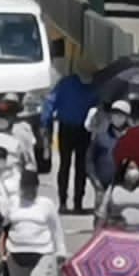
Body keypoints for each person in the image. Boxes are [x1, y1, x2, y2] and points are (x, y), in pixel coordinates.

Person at [43, 65, 98, 213]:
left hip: (80, 129)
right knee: (69, 165)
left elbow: (50, 102)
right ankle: (67, 202)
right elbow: (51, 103)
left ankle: (72, 202)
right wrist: (46, 122)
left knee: (75, 166)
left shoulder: (69, 84)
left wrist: (46, 122)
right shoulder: (71, 84)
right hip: (69, 128)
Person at [0, 169, 66, 276]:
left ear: (36, 187)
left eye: (31, 187)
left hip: (41, 253)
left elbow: (56, 229)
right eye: (25, 187)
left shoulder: (46, 204)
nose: (28, 190)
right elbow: (2, 226)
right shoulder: (12, 202)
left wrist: (61, 251)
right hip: (15, 254)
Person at [95, 157, 139, 231]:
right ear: (124, 171)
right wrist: (97, 232)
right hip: (118, 233)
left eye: (136, 168)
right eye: (130, 168)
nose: (134, 171)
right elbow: (102, 214)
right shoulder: (113, 189)